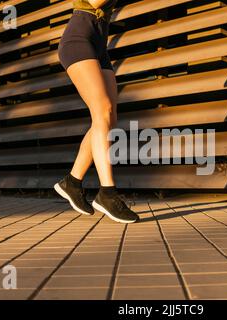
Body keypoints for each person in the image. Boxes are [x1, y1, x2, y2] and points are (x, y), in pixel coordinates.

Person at [54, 0, 139, 224]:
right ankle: (107, 193)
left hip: (99, 44)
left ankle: (72, 182)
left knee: (108, 117)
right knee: (102, 111)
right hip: (78, 39)